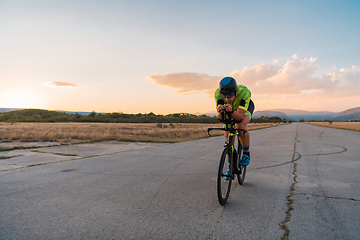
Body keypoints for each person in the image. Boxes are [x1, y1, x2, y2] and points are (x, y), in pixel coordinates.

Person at [214, 76, 255, 178]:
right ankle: (230, 166)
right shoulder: (217, 94)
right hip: (230, 109)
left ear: (236, 92)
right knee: (228, 137)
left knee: (240, 126)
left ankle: (246, 153)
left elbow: (240, 117)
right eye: (224, 96)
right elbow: (220, 118)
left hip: (245, 108)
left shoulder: (244, 92)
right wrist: (220, 111)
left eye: (230, 95)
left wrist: (232, 111)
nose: (227, 99)